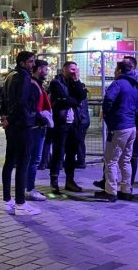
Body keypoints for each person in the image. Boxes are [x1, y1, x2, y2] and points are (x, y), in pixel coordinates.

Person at [93, 55, 138, 190]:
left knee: (113, 160)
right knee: (124, 159)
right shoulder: (134, 84)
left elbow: (108, 101)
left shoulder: (127, 83)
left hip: (122, 125)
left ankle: (111, 191)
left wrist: (108, 116)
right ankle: (124, 187)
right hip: (130, 125)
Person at [0, 51, 40, 215]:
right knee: (23, 163)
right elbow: (21, 102)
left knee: (9, 162)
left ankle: (7, 200)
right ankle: (21, 204)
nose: (33, 65)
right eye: (31, 62)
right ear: (23, 63)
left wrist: (4, 117)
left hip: (12, 126)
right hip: (22, 124)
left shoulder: (10, 75)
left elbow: (3, 99)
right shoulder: (23, 77)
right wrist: (10, 118)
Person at [48, 61, 87, 194]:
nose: (74, 72)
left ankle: (70, 181)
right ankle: (54, 182)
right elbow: (64, 99)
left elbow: (82, 95)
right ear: (64, 70)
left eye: (76, 69)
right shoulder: (56, 83)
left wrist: (76, 81)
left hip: (74, 123)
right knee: (58, 153)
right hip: (61, 122)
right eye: (71, 69)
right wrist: (75, 101)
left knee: (72, 153)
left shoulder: (75, 82)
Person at [26, 59, 53, 202]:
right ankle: (29, 189)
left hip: (39, 125)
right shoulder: (33, 85)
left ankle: (29, 187)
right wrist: (42, 118)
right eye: (45, 69)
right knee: (34, 159)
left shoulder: (37, 84)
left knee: (34, 159)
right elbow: (32, 107)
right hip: (36, 127)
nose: (47, 72)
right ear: (38, 69)